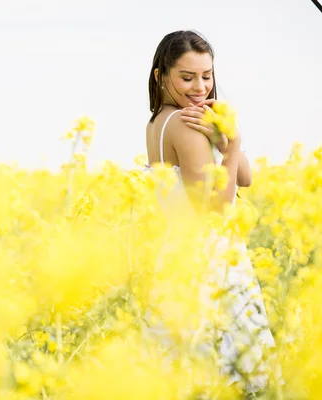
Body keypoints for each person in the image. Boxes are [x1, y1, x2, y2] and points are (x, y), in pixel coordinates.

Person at [143, 30, 278, 394]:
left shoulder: (158, 123)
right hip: (209, 264)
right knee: (224, 379)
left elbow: (244, 178)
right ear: (160, 76)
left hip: (179, 257)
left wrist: (222, 141)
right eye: (187, 77)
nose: (199, 87)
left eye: (207, 75)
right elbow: (216, 210)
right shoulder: (186, 127)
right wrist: (232, 145)